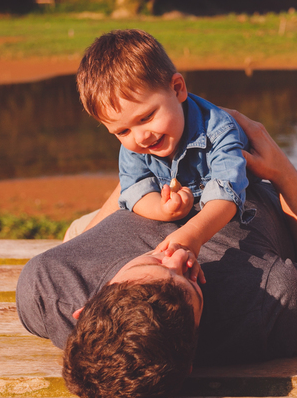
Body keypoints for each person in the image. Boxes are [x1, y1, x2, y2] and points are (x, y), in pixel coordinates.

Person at [16, 109, 297, 398]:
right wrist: (285, 175)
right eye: (191, 280)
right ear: (195, 355)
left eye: (153, 259)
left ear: (82, 310)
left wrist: (147, 168)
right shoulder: (273, 304)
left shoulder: (46, 287)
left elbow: (92, 234)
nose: (179, 254)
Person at [73, 29, 252, 258]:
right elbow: (135, 190)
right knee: (78, 235)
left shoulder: (218, 130)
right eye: (122, 131)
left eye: (146, 117)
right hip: (172, 211)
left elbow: (227, 194)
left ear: (178, 88)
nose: (140, 137)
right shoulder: (134, 143)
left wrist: (192, 236)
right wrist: (162, 209)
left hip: (229, 211)